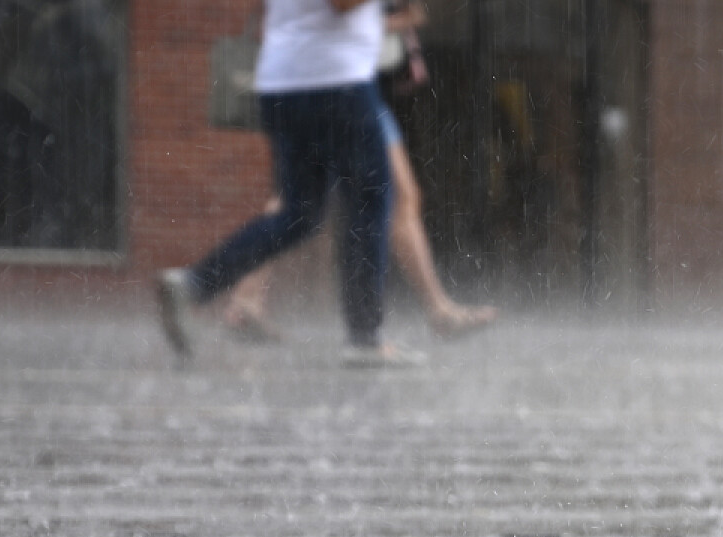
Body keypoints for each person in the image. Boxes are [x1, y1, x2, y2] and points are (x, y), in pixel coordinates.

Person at [221, 0, 496, 344]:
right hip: (338, 82)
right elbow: (340, 9)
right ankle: (410, 319)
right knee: (330, 202)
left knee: (308, 203)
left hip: (332, 79)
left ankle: (236, 296)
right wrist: (396, 20)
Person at [156, 0, 408, 367]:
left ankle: (194, 284)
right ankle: (364, 339)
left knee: (299, 213)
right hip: (336, 79)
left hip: (284, 81)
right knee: (369, 201)